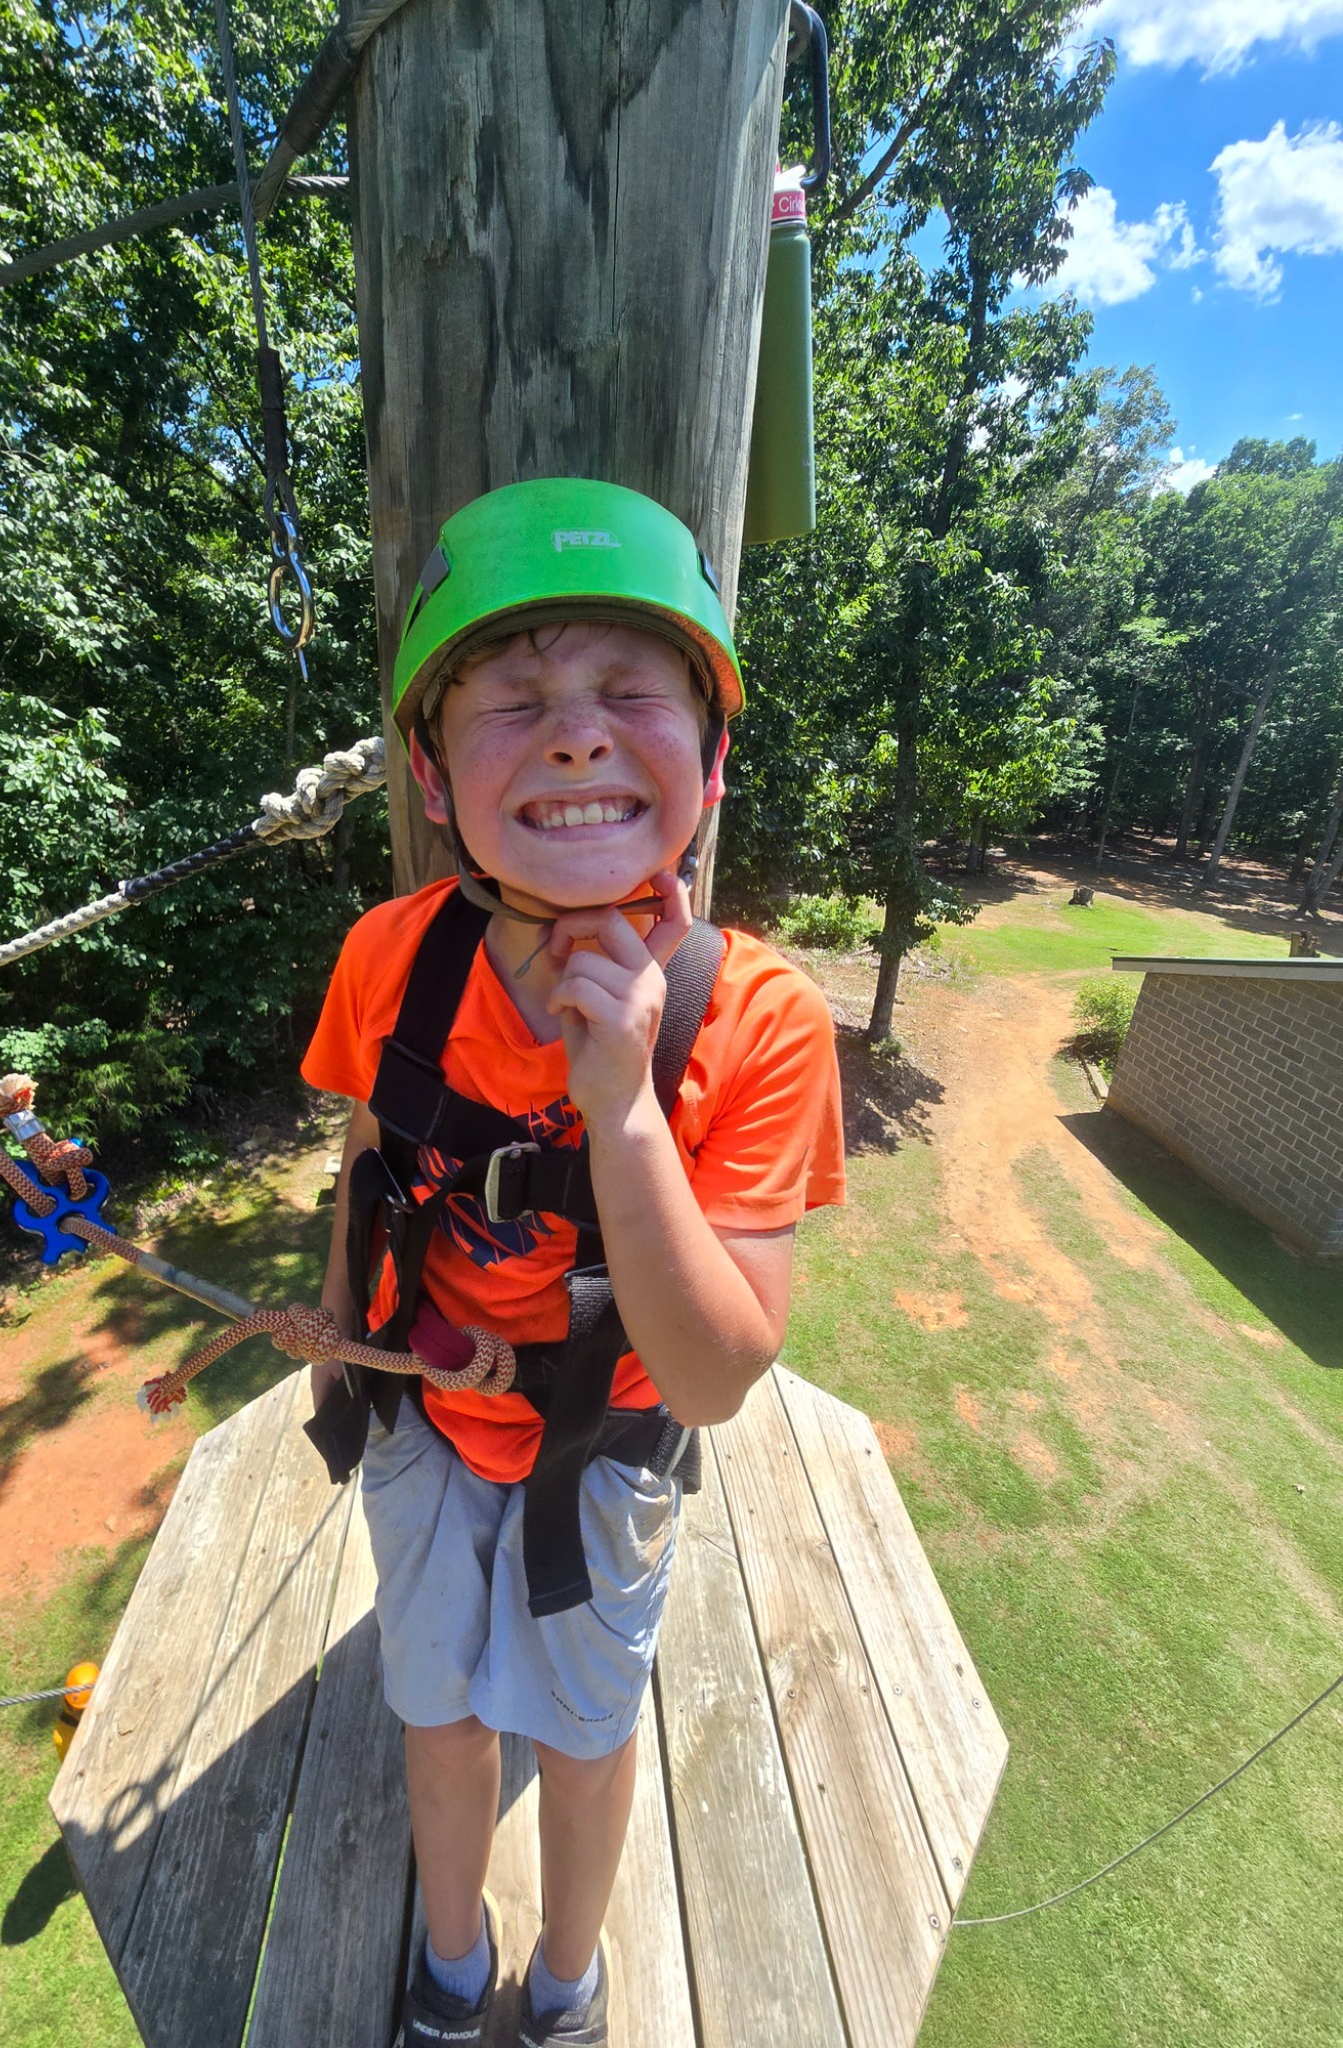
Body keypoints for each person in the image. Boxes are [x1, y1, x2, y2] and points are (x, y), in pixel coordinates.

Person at [300, 477, 844, 2047]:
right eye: (515, 697)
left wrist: (622, 1115)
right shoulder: (391, 962)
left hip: (601, 1448)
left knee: (586, 1732)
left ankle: (567, 1978)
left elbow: (719, 1377)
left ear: (712, 754)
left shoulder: (751, 1021)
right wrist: (346, 1336)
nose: (578, 734)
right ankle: (455, 1967)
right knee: (444, 1713)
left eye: (630, 692)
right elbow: (369, 1161)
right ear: (429, 765)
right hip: (427, 1423)